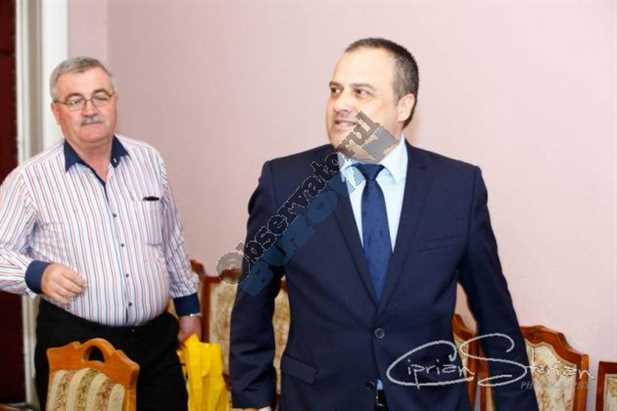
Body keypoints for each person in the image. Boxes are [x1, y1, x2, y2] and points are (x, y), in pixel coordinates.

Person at [230, 38, 539, 411]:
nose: (341, 104)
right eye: (335, 90)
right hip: (319, 400)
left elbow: (495, 313)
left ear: (403, 106)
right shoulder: (285, 183)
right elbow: (252, 300)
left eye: (361, 92)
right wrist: (253, 399)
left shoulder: (457, 188)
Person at [0, 56, 201, 410]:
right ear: (57, 111)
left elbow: (170, 237)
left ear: (115, 101)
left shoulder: (149, 160)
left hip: (156, 343)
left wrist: (188, 306)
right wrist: (38, 273)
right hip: (78, 349)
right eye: (75, 100)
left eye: (100, 96)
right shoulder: (29, 180)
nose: (90, 110)